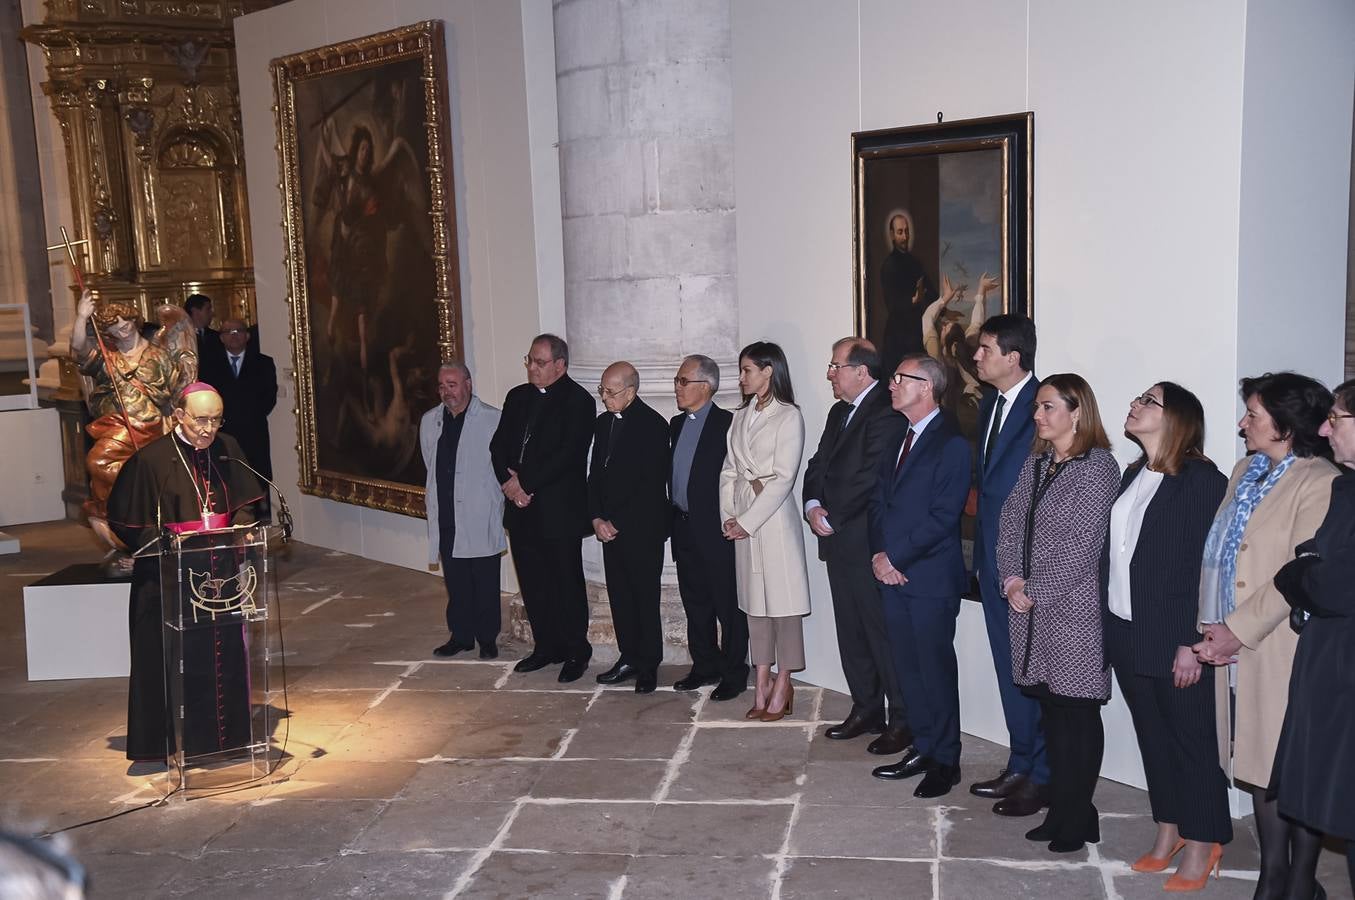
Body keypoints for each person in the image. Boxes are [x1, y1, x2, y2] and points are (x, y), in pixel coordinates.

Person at [1194, 372, 1337, 900]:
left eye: (1253, 415)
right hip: (1230, 638)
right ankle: (1272, 870)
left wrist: (1236, 629)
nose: (1242, 424)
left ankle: (1298, 881)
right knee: (1254, 757)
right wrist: (1210, 625)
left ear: (1287, 424)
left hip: (1281, 645)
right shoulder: (1246, 469)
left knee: (1291, 763)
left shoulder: (1319, 480)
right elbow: (1221, 552)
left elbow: (1300, 573)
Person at [1099, 383, 1231, 889]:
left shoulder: (1201, 480)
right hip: (1125, 628)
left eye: (1148, 400)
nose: (1134, 404)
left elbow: (1204, 570)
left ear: (1177, 418)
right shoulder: (1135, 473)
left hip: (1175, 637)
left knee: (1191, 741)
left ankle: (1204, 842)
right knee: (1153, 738)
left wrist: (1189, 642)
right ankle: (1168, 829)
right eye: (1136, 397)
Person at [104, 383, 265, 771]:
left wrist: (241, 527)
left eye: (215, 419)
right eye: (201, 420)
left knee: (220, 657)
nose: (209, 430)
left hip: (219, 576)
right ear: (178, 415)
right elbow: (126, 522)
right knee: (160, 661)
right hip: (166, 579)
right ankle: (159, 746)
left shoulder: (228, 449)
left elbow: (247, 503)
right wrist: (167, 539)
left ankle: (218, 741)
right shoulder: (151, 461)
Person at [997, 373, 1120, 853]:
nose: (1038, 415)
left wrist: (1037, 591)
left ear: (1077, 412)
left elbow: (1083, 545)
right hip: (1029, 607)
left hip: (1075, 614)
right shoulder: (1037, 463)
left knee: (1077, 718)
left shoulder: (1098, 468)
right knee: (1052, 714)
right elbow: (1009, 523)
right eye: (1038, 407)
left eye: (1048, 407)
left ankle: (1075, 816)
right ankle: (1067, 812)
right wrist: (1011, 580)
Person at [866, 354, 971, 798]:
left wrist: (897, 559)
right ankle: (923, 747)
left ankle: (946, 760)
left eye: (898, 378)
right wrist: (878, 554)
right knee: (908, 670)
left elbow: (944, 517)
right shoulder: (898, 436)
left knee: (934, 671)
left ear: (926, 387)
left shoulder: (952, 443)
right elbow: (879, 502)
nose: (891, 385)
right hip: (891, 573)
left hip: (927, 578)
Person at [802, 337, 911, 753]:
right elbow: (818, 465)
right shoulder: (837, 412)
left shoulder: (886, 413)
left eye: (836, 366)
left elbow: (870, 477)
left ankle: (901, 719)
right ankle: (866, 708)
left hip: (865, 541)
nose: (830, 373)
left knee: (880, 633)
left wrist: (833, 515)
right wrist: (813, 504)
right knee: (851, 631)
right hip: (837, 541)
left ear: (861, 372)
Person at [1272, 378, 1355, 897]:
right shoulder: (1347, 487)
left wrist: (1295, 573)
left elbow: (1330, 583)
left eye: (1338, 419)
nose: (1325, 430)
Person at [968, 314, 1048, 817]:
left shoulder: (1046, 406)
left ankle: (1043, 773)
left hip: (1028, 566)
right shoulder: (989, 406)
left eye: (985, 348)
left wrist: (1029, 569)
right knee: (1008, 667)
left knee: (1035, 672)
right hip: (993, 560)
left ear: (1013, 356)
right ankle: (1021, 762)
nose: (976, 356)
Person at [489, 334, 596, 682]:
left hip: (558, 510)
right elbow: (498, 446)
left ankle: (576, 651)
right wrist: (511, 487)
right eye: (530, 360)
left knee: (565, 582)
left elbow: (567, 454)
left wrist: (526, 484)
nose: (532, 368)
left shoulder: (579, 401)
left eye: (540, 362)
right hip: (521, 509)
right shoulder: (517, 397)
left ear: (561, 365)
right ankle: (545, 646)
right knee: (533, 583)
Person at [719, 341, 811, 721]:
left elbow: (784, 478)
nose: (741, 378)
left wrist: (749, 519)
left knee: (783, 606)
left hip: (773, 520)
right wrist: (730, 515)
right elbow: (728, 469)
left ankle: (783, 682)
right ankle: (760, 679)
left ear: (768, 371)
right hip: (743, 516)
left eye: (747, 370)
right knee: (754, 605)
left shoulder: (789, 416)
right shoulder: (740, 416)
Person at [588, 362, 671, 693]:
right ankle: (628, 657)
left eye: (610, 392)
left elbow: (649, 485)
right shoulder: (602, 423)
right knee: (619, 595)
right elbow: (594, 475)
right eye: (602, 391)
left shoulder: (653, 425)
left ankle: (649, 663)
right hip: (607, 527)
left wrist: (615, 522)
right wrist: (596, 517)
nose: (605, 397)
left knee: (644, 596)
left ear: (631, 391)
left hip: (641, 528)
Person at [669, 355, 748, 701]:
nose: (677, 387)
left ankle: (733, 672)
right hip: (683, 526)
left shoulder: (728, 424)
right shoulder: (675, 423)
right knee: (695, 602)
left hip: (717, 529)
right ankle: (704, 665)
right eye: (677, 380)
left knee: (728, 605)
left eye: (683, 381)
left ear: (706, 386)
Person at [70, 291, 184, 525]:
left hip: (152, 426)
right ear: (106, 332)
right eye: (112, 325)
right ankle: (124, 500)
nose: (121, 327)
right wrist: (81, 317)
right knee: (97, 461)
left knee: (160, 477)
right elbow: (79, 347)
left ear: (135, 321)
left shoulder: (158, 355)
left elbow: (175, 393)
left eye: (125, 321)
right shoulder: (107, 358)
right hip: (118, 427)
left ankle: (145, 513)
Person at [419, 362, 506, 660]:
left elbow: (502, 468)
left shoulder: (493, 419)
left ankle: (488, 638)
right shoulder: (430, 421)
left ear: (468, 384)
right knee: (455, 581)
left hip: (480, 513)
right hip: (446, 514)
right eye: (442, 386)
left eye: (452, 385)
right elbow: (430, 463)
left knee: (484, 580)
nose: (447, 392)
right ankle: (461, 636)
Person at [206, 318, 278, 483]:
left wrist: (251, 415)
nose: (234, 336)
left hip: (253, 430)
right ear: (221, 338)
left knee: (256, 477)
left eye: (238, 331)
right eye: (228, 332)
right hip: (223, 430)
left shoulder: (263, 362)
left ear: (247, 336)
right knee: (225, 478)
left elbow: (269, 396)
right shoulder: (210, 365)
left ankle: (261, 507)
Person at [879, 210, 938, 375]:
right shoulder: (889, 266)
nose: (904, 236)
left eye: (906, 231)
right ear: (892, 235)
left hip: (915, 330)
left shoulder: (915, 262)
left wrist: (942, 306)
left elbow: (930, 291)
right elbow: (892, 303)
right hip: (898, 335)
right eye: (900, 232)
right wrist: (913, 300)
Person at [184, 293, 221, 365]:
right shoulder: (181, 337)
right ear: (195, 312)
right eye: (208, 309)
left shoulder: (217, 336)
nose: (212, 314)